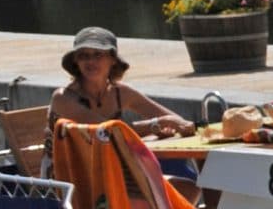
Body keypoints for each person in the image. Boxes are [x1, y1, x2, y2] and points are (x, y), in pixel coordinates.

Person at [48, 27, 191, 140]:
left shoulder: (120, 92)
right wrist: (157, 125)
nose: (90, 61)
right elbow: (106, 132)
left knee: (183, 177)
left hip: (108, 166)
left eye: (98, 54)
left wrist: (179, 125)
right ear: (76, 61)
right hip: (66, 173)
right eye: (83, 56)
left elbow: (178, 121)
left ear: (113, 59)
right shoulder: (63, 98)